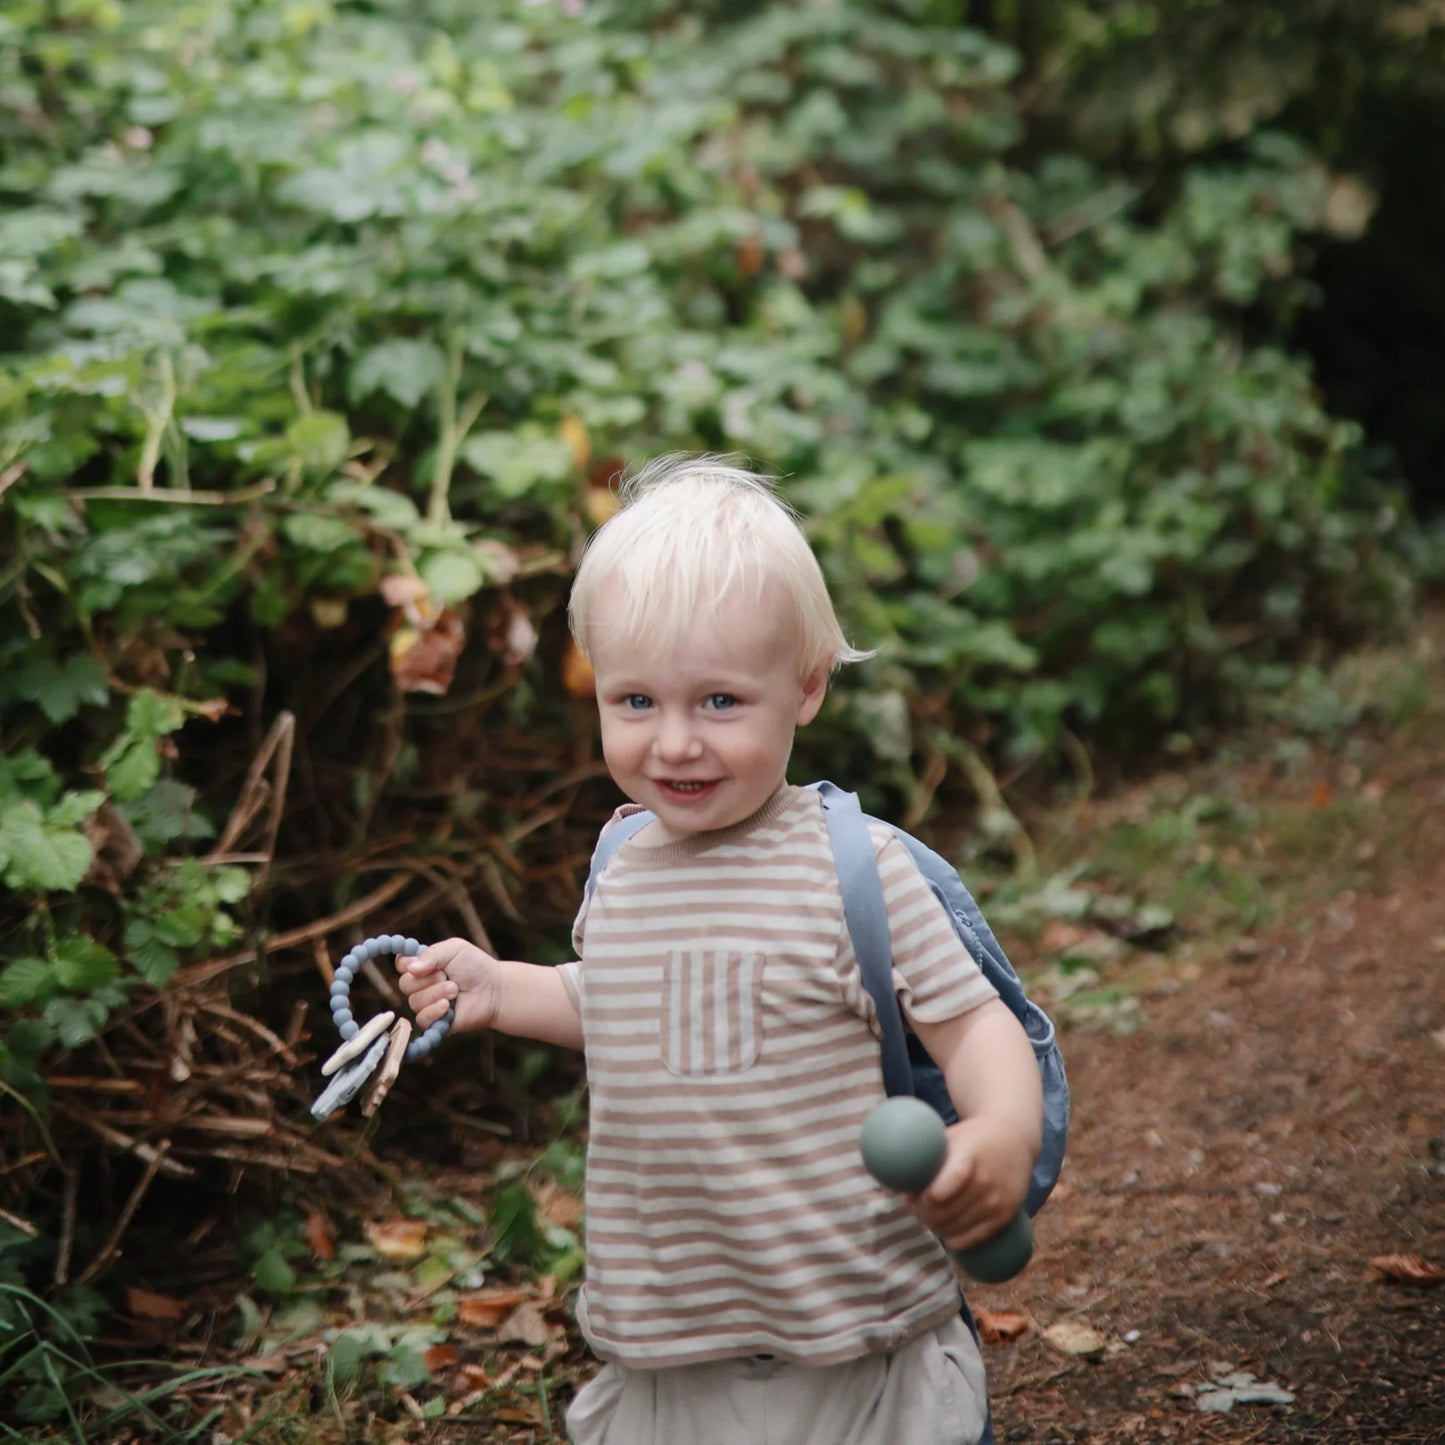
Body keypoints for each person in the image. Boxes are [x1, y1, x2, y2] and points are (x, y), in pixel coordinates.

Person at [396, 455, 1044, 1445]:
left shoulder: (852, 867)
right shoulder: (620, 861)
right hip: (670, 1344)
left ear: (806, 686)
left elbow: (970, 1023)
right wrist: (501, 987)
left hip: (853, 1340)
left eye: (719, 702)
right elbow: (613, 997)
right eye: (636, 702)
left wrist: (1000, 1131)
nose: (673, 744)